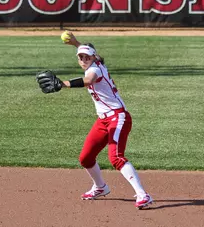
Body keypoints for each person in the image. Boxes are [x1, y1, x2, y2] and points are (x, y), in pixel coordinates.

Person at [60, 31, 153, 210]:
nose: (83, 59)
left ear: (94, 57)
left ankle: (143, 195)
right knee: (86, 158)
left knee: (116, 157)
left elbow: (88, 81)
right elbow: (86, 52)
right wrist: (75, 43)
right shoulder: (96, 61)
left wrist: (63, 84)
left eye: (87, 57)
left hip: (118, 117)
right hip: (103, 121)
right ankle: (100, 187)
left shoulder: (94, 69)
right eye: (80, 57)